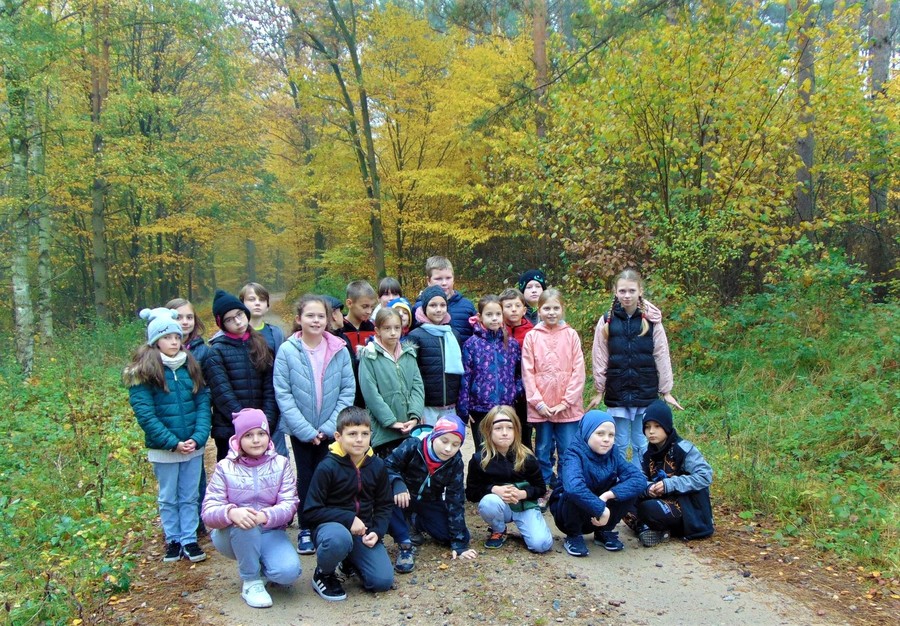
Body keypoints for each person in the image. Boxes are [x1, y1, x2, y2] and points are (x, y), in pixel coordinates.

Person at [125, 307, 210, 563]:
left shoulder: (190, 366)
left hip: (192, 446)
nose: (174, 341)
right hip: (164, 450)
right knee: (168, 497)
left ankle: (189, 539)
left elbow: (202, 403)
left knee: (190, 495)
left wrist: (198, 436)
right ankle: (173, 539)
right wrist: (172, 443)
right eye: (167, 337)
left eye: (176, 337)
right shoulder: (143, 373)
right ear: (155, 341)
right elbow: (146, 415)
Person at [274, 295, 355, 555]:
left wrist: (330, 427)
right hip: (302, 430)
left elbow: (347, 390)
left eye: (321, 316)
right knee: (307, 477)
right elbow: (283, 393)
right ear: (299, 319)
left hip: (330, 430)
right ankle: (306, 527)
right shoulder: (287, 350)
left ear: (328, 319)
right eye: (310, 315)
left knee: (329, 476)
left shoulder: (339, 348)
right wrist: (306, 431)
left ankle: (326, 526)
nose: (316, 320)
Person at [202, 408, 301, 608]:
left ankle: (260, 564)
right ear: (239, 439)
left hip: (269, 531)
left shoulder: (281, 464)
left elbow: (289, 504)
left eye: (261, 434)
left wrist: (265, 516)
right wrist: (231, 512)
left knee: (288, 573)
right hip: (233, 535)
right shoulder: (225, 467)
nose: (256, 440)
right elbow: (208, 511)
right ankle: (251, 581)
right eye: (248, 435)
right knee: (245, 521)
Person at [588, 268, 680, 469]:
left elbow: (661, 354)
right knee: (619, 441)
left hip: (645, 389)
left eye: (631, 291)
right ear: (615, 291)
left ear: (640, 291)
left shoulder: (652, 320)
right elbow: (600, 356)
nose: (627, 295)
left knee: (641, 441)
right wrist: (599, 389)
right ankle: (620, 476)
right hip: (617, 389)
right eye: (622, 291)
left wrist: (666, 390)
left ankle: (641, 477)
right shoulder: (607, 320)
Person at [303, 407, 395, 602]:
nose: (359, 439)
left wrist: (377, 531)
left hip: (363, 532)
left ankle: (349, 560)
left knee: (382, 581)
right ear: (338, 437)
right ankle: (324, 573)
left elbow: (384, 504)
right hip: (331, 530)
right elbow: (311, 511)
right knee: (339, 539)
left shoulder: (377, 465)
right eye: (352, 434)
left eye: (364, 434)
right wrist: (348, 519)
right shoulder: (327, 467)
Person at [385, 416, 476, 573]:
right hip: (402, 496)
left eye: (455, 444)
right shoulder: (412, 446)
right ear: (434, 436)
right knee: (387, 498)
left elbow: (456, 500)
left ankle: (415, 522)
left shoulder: (455, 462)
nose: (448, 449)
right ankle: (404, 539)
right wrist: (397, 483)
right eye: (444, 441)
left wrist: (459, 544)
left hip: (429, 501)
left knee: (451, 536)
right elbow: (386, 466)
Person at [521, 288, 586, 508]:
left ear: (563, 309)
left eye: (556, 308)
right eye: (546, 308)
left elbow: (578, 371)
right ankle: (545, 488)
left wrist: (566, 401)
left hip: (567, 407)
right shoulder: (532, 336)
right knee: (543, 450)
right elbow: (527, 372)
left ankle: (567, 488)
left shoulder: (571, 335)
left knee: (568, 449)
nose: (551, 312)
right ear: (539, 310)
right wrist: (538, 402)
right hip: (542, 407)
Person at [549, 411, 645, 557]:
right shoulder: (573, 454)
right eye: (600, 434)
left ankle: (603, 531)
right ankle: (573, 536)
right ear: (587, 432)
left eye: (611, 435)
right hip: (569, 514)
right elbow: (574, 487)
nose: (606, 439)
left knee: (629, 489)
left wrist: (607, 496)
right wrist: (601, 508)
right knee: (572, 491)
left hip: (600, 515)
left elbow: (638, 479)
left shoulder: (613, 453)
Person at [465, 406, 553, 553]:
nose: (505, 433)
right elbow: (471, 493)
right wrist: (493, 489)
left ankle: (530, 527)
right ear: (488, 430)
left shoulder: (527, 457)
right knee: (488, 502)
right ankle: (499, 529)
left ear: (516, 430)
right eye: (498, 428)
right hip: (499, 506)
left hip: (524, 505)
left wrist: (523, 493)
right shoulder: (479, 459)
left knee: (542, 545)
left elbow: (540, 488)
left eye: (510, 428)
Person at [627, 400, 714, 546]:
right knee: (621, 497)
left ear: (666, 426)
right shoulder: (645, 452)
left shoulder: (684, 449)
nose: (651, 431)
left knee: (648, 509)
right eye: (647, 427)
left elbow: (705, 476)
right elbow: (638, 479)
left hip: (686, 507)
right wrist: (648, 488)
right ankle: (647, 529)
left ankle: (651, 528)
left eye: (657, 426)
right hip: (658, 500)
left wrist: (670, 484)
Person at [204, 290, 276, 461]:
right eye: (229, 319)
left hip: (261, 429)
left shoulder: (261, 344)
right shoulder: (217, 351)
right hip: (229, 429)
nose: (237, 321)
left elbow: (270, 388)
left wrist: (266, 422)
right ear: (222, 324)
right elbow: (222, 394)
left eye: (239, 315)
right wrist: (245, 423)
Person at [165, 297, 212, 533]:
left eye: (189, 317)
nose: (184, 322)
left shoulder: (202, 351)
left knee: (196, 474)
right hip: (169, 425)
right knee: (171, 481)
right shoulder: (155, 354)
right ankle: (174, 528)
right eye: (178, 317)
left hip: (195, 422)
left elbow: (207, 389)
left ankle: (197, 520)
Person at [358, 308, 425, 456]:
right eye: (387, 328)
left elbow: (417, 387)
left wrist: (415, 416)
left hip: (410, 428)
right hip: (385, 433)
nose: (393, 333)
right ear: (377, 330)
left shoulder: (409, 354)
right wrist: (390, 421)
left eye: (397, 328)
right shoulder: (369, 357)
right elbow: (370, 394)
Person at [458, 295, 521, 450]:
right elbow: (465, 377)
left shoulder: (511, 344)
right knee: (483, 451)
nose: (494, 318)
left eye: (498, 314)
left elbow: (519, 373)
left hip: (506, 408)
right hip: (480, 408)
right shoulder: (472, 344)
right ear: (480, 317)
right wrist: (464, 409)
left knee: (505, 449)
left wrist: (515, 392)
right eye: (489, 314)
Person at [407, 285, 463, 427]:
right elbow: (410, 374)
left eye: (442, 305)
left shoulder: (453, 334)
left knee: (448, 438)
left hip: (450, 405)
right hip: (427, 406)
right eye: (433, 305)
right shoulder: (415, 336)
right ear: (424, 307)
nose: (438, 309)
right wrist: (416, 408)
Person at [499, 288, 534, 449]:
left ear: (524, 310)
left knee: (524, 427)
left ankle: (525, 458)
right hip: (503, 388)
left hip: (526, 388)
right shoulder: (497, 331)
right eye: (508, 306)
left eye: (517, 306)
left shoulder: (532, 332)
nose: (513, 309)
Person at [412, 256, 476, 342]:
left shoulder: (467, 306)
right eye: (438, 279)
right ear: (428, 281)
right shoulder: (419, 308)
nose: (444, 283)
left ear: (453, 279)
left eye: (448, 278)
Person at [239, 282, 285, 354]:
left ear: (267, 307)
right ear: (241, 304)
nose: (257, 303)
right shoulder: (233, 333)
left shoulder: (277, 334)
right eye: (251, 299)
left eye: (262, 300)